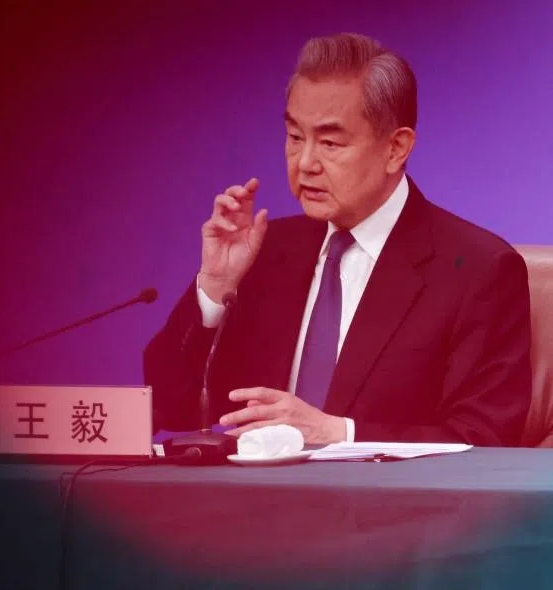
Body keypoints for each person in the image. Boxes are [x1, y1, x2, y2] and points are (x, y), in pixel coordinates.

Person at [143, 33, 532, 446]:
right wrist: (215, 287)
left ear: (396, 149)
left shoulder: (478, 269)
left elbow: (485, 440)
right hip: (254, 505)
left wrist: (340, 433)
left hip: (391, 509)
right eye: (295, 137)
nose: (306, 163)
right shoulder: (266, 250)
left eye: (330, 143)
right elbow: (173, 409)